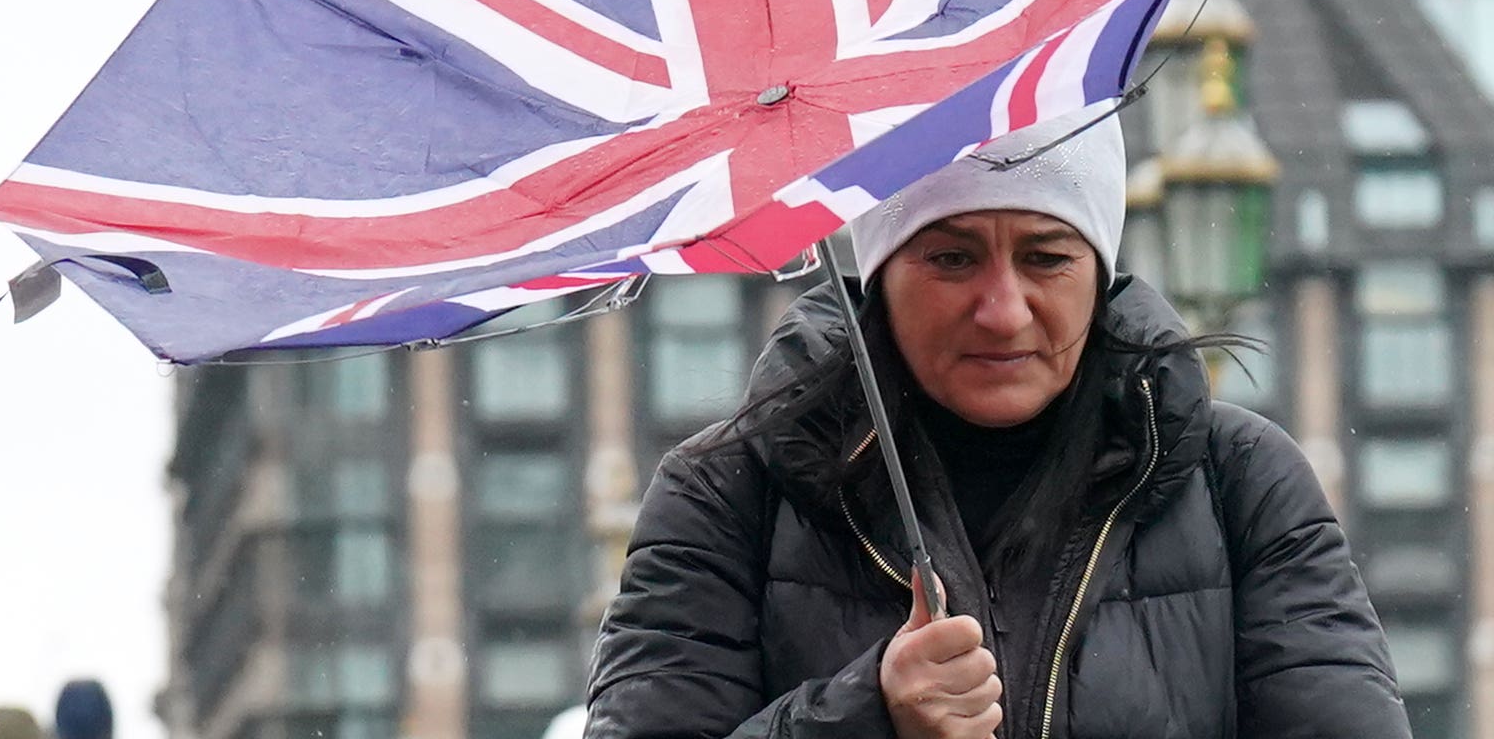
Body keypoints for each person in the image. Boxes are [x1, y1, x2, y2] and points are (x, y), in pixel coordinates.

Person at [585, 104, 1410, 739]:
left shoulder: (1240, 481)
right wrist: (867, 713)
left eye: (1047, 256)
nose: (1003, 311)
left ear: (1100, 270)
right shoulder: (726, 491)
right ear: (878, 277)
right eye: (950, 257)